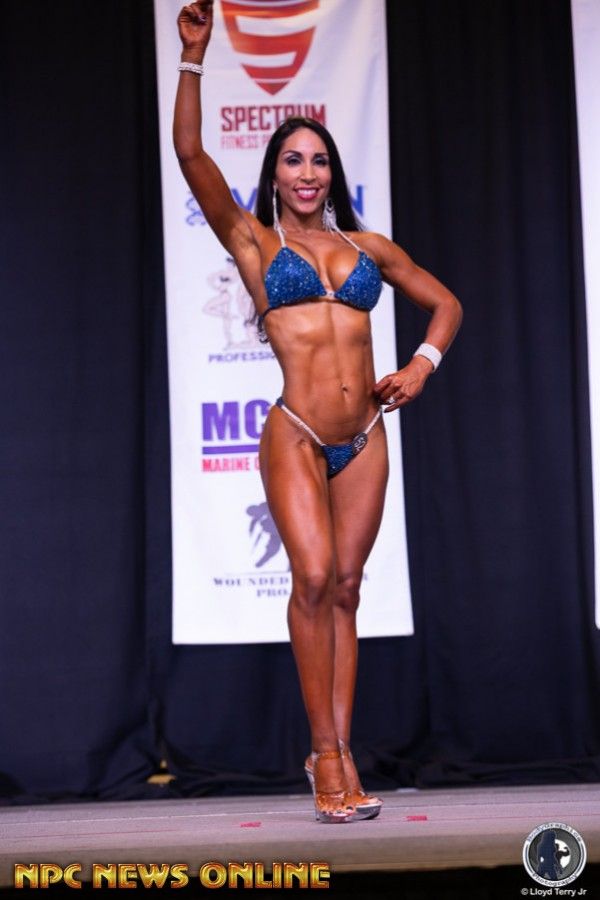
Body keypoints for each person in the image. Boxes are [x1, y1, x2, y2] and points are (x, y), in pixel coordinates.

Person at [174, 0, 462, 823]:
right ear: (275, 174)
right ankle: (326, 756)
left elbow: (446, 304)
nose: (307, 173)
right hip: (297, 433)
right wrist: (194, 57)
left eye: (320, 162)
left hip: (364, 435)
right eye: (294, 161)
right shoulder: (254, 243)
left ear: (333, 174)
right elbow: (189, 152)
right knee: (309, 578)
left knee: (345, 589)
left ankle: (339, 750)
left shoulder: (367, 250)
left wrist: (421, 365)